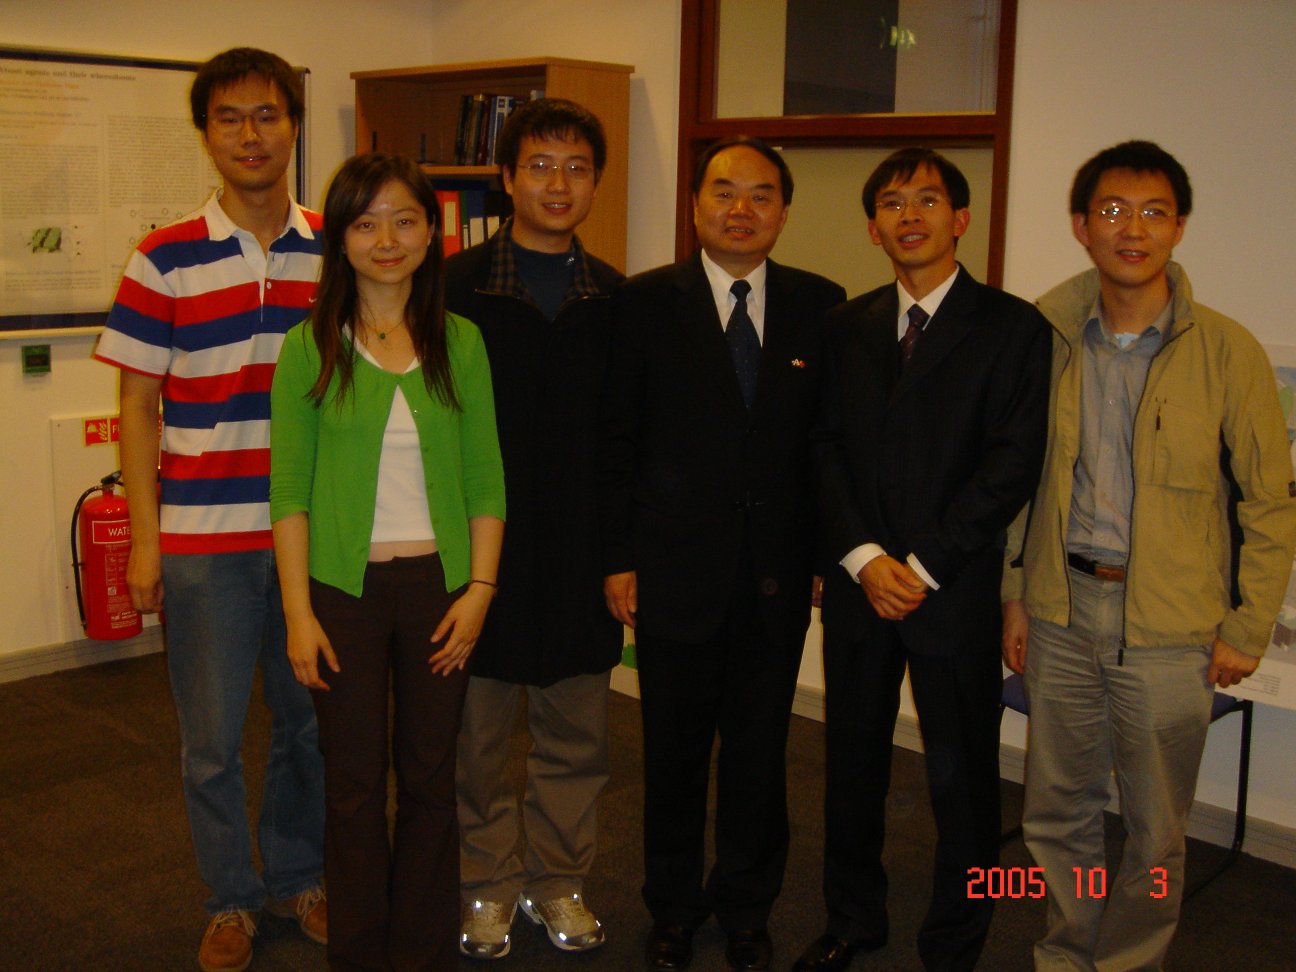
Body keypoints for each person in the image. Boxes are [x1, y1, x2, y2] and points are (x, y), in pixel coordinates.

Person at [1001, 140, 1296, 972]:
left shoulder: (1226, 351)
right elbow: (1020, 481)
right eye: (1113, 211)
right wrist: (1016, 592)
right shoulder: (1045, 336)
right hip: (1061, 614)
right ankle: (1066, 954)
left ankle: (1128, 963)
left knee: (1157, 829)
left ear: (1180, 226)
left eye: (1153, 211)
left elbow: (1271, 502)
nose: (1132, 229)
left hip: (1173, 627)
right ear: (1081, 225)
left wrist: (1247, 623)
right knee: (1058, 812)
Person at [94, 47, 327, 972]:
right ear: (207, 133)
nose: (250, 134)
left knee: (309, 727)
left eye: (267, 115)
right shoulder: (163, 257)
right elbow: (137, 410)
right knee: (211, 742)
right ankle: (230, 899)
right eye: (229, 118)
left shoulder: (334, 245)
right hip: (201, 542)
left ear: (293, 125)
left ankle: (302, 877)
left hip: (312, 538)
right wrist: (146, 544)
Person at [798, 148, 1050, 972]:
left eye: (929, 201)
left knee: (966, 782)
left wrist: (927, 563)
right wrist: (866, 559)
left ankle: (957, 940)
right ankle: (852, 920)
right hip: (859, 588)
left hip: (954, 593)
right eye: (894, 204)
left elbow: (1013, 462)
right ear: (873, 228)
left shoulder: (1013, 328)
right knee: (853, 765)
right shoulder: (846, 326)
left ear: (961, 219)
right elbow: (823, 448)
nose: (911, 216)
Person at [600, 136, 845, 972]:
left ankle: (747, 905)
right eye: (724, 192)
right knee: (670, 753)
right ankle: (671, 908)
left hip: (776, 575)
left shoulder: (823, 304)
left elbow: (826, 446)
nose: (742, 209)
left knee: (758, 753)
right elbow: (616, 443)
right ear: (696, 204)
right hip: (672, 569)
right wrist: (618, 557)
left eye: (762, 194)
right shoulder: (639, 304)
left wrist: (822, 552)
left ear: (783, 210)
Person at [269, 152, 505, 971]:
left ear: (429, 233)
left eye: (405, 219)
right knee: (356, 782)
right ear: (340, 240)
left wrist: (480, 588)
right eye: (365, 223)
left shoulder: (461, 342)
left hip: (440, 588)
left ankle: (424, 950)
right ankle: (362, 952)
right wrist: (299, 613)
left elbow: (486, 481)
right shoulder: (310, 348)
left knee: (433, 779)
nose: (387, 239)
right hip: (343, 593)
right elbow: (289, 494)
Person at [445, 98, 623, 959]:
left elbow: (633, 443)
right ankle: (486, 884)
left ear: (595, 183)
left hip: (582, 558)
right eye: (541, 166)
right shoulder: (453, 289)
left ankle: (558, 879)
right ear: (506, 178)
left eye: (577, 168)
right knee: (475, 742)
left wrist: (624, 558)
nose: (559, 183)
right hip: (475, 557)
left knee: (575, 740)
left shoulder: (619, 299)